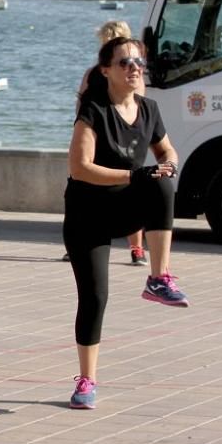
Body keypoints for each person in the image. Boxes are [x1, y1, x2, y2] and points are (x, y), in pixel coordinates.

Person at [64, 36, 189, 411]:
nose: (134, 67)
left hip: (125, 207)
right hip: (88, 216)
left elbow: (166, 149)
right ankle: (87, 380)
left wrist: (168, 160)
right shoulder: (94, 110)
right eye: (124, 62)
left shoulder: (149, 109)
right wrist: (133, 176)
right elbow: (79, 168)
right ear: (106, 71)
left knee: (163, 182)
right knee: (95, 297)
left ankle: (158, 277)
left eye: (138, 62)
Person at [75, 20, 148, 266]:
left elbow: (81, 104)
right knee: (130, 190)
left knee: (91, 190)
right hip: (115, 137)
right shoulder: (121, 72)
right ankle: (136, 249)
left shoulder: (94, 73)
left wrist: (80, 131)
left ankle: (88, 242)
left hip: (102, 137)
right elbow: (140, 106)